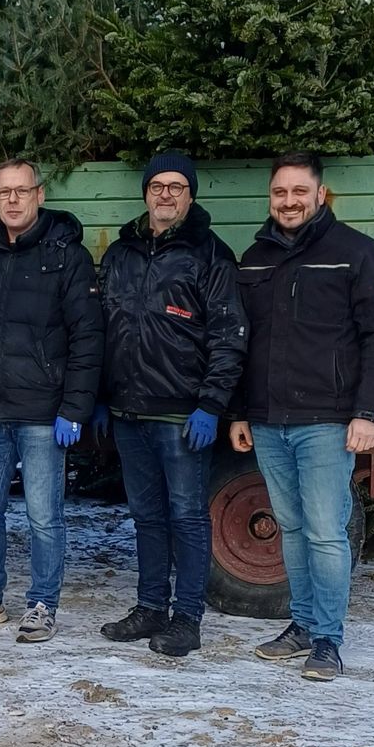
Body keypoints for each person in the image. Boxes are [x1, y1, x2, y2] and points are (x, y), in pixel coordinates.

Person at [230, 151, 374, 681]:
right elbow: (240, 342)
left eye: (299, 192)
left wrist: (368, 412)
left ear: (320, 194)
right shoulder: (255, 258)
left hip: (327, 421)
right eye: (280, 193)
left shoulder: (356, 253)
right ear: (270, 198)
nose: (289, 202)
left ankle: (328, 639)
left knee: (326, 532)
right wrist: (240, 411)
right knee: (293, 529)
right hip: (267, 420)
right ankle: (301, 626)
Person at [0, 160, 103, 644]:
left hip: (41, 416)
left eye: (21, 191)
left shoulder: (67, 258)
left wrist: (74, 409)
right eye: (4, 193)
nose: (12, 200)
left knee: (44, 516)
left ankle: (41, 604)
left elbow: (87, 337)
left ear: (39, 195)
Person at [97, 150, 246, 658]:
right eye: (157, 184)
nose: (165, 193)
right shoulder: (121, 253)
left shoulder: (210, 255)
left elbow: (229, 337)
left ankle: (187, 618)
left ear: (190, 195)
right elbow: (103, 328)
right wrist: (101, 398)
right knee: (146, 516)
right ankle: (150, 607)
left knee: (186, 515)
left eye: (176, 186)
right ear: (145, 192)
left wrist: (210, 404)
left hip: (182, 415)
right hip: (127, 412)